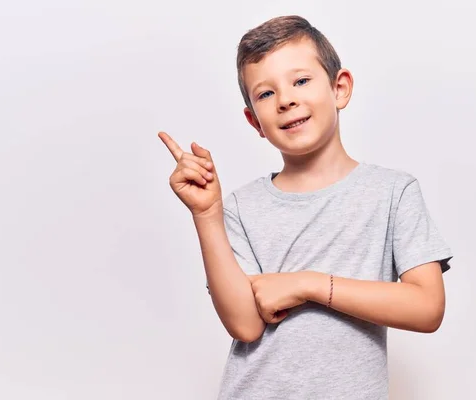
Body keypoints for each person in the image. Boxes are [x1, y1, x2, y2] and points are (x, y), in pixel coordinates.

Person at [159, 15, 453, 400]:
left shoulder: (393, 192)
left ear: (340, 88)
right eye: (265, 94)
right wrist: (206, 214)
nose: (286, 100)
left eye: (300, 81)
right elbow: (245, 325)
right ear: (255, 122)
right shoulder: (240, 208)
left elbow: (427, 307)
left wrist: (307, 284)